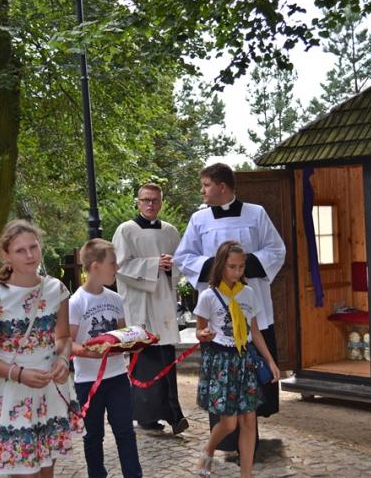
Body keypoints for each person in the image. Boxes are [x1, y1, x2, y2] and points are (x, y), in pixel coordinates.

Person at [173, 162, 285, 451]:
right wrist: (216, 267)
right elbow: (183, 256)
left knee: (251, 376)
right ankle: (226, 441)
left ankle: (249, 439)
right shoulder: (199, 219)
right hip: (217, 314)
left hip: (250, 307)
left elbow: (276, 250)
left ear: (221, 187)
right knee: (221, 380)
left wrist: (243, 266)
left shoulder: (256, 213)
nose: (202, 191)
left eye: (206, 185)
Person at [0, 219, 79, 477]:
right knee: (24, 472)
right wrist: (18, 373)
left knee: (47, 472)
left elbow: (64, 337)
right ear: (5, 255)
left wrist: (63, 360)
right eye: (20, 250)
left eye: (33, 247)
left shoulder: (56, 289)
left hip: (50, 390)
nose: (30, 255)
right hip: (14, 393)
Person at [193, 241, 280, 477]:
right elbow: (199, 331)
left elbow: (255, 331)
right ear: (221, 265)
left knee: (249, 420)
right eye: (232, 267)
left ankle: (246, 474)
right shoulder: (209, 296)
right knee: (229, 423)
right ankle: (208, 450)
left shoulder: (248, 293)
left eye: (241, 267)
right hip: (221, 361)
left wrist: (270, 361)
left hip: (244, 360)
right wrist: (203, 334)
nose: (237, 272)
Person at [112, 183, 188, 434]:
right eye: (145, 199)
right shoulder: (126, 230)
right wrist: (155, 264)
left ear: (161, 203)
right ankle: (146, 417)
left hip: (163, 303)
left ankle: (172, 412)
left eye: (155, 200)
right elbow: (119, 266)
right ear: (138, 202)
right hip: (140, 304)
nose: (150, 204)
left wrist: (171, 266)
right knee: (146, 360)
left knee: (165, 357)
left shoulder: (170, 231)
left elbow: (181, 263)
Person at [70, 238, 143, 478]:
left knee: (125, 432)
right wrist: (90, 353)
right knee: (93, 436)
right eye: (112, 263)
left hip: (118, 377)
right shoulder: (75, 302)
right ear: (95, 266)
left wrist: (136, 343)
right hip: (88, 382)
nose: (117, 268)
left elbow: (121, 335)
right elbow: (68, 343)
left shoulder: (115, 299)